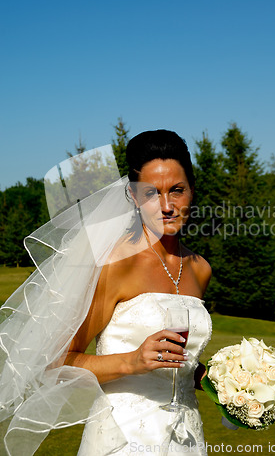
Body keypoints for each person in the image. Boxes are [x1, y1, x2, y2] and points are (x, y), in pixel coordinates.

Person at [0, 130, 212, 456]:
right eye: (151, 193)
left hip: (187, 437)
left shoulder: (200, 269)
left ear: (192, 191)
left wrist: (220, 379)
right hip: (122, 438)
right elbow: (57, 364)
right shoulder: (114, 264)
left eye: (177, 191)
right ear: (133, 195)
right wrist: (131, 361)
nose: (167, 206)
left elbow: (178, 360)